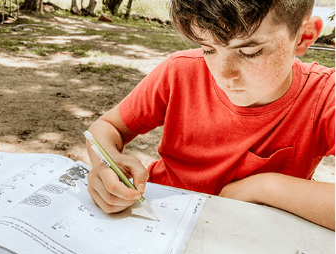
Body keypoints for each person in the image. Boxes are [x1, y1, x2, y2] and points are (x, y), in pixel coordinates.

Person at [86, 0, 335, 230]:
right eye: (208, 49)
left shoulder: (324, 96)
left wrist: (265, 187)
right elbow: (107, 126)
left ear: (304, 36)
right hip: (160, 221)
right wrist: (105, 165)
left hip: (251, 239)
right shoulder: (179, 72)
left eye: (250, 51)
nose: (223, 73)